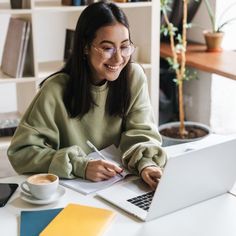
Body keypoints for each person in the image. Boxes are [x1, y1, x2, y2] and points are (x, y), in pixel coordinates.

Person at [7, 1, 166, 190]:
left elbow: (142, 133)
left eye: (124, 47)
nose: (118, 59)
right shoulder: (55, 90)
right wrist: (81, 166)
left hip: (122, 186)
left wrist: (147, 163)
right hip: (72, 193)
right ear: (85, 47)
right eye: (108, 48)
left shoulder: (134, 77)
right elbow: (21, 152)